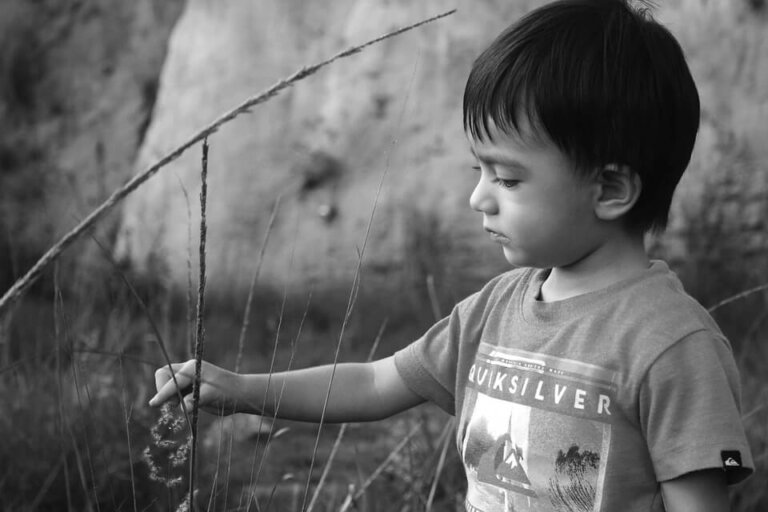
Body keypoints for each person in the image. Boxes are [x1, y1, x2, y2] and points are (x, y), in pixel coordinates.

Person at [150, 0, 754, 510]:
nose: (478, 198)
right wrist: (242, 389)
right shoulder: (496, 308)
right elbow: (375, 382)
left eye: (508, 179)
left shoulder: (671, 346)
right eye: (478, 170)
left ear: (611, 190)